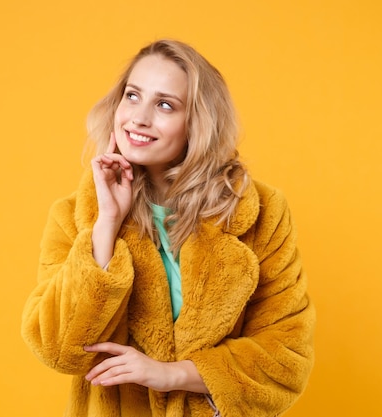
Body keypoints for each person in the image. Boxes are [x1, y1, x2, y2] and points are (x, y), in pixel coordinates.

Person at [21, 39, 315, 417]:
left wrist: (171, 375)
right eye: (132, 96)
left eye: (164, 105)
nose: (139, 118)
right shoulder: (76, 215)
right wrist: (107, 225)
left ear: (198, 122)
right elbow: (58, 348)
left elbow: (287, 358)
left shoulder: (260, 212)